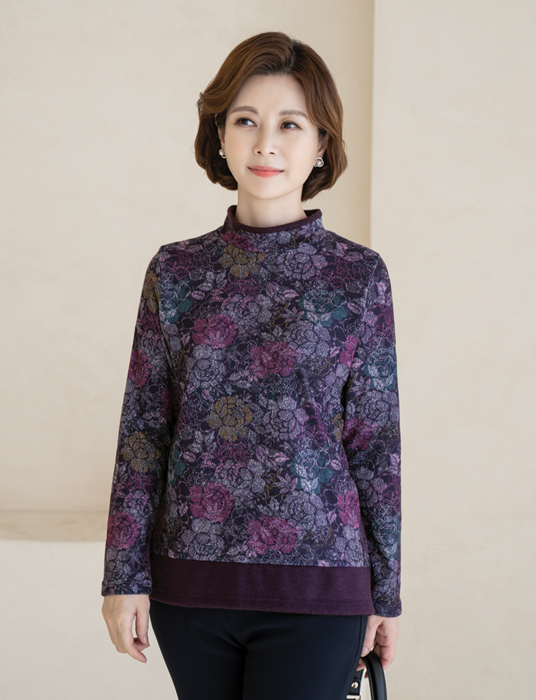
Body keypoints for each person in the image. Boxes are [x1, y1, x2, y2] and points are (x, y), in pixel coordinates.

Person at [101, 30, 401, 700]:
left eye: (290, 124)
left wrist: (385, 593)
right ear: (220, 135)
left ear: (321, 143)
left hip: (320, 590)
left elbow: (375, 444)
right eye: (246, 121)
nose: (266, 143)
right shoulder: (175, 272)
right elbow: (144, 431)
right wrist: (123, 577)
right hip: (189, 589)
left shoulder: (358, 276)